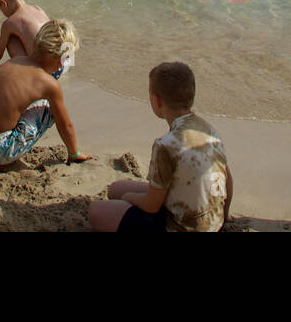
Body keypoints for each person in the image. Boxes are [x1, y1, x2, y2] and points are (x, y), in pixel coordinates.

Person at [88, 62, 232, 232]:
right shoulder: (210, 131)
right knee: (116, 189)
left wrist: (129, 198)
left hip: (178, 226)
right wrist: (224, 215)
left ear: (156, 100)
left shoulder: (165, 145)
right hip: (213, 223)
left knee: (96, 211)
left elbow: (151, 206)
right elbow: (227, 180)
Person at [0, 20, 90, 170]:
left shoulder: (14, 61)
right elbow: (66, 125)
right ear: (60, 59)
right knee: (50, 109)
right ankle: (7, 162)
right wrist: (74, 153)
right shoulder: (48, 83)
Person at [0, 0, 51, 73]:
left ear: (3, 3)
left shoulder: (11, 22)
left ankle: (27, 73)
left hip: (43, 73)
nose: (3, 13)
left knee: (9, 39)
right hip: (59, 66)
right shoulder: (37, 8)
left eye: (0, 10)